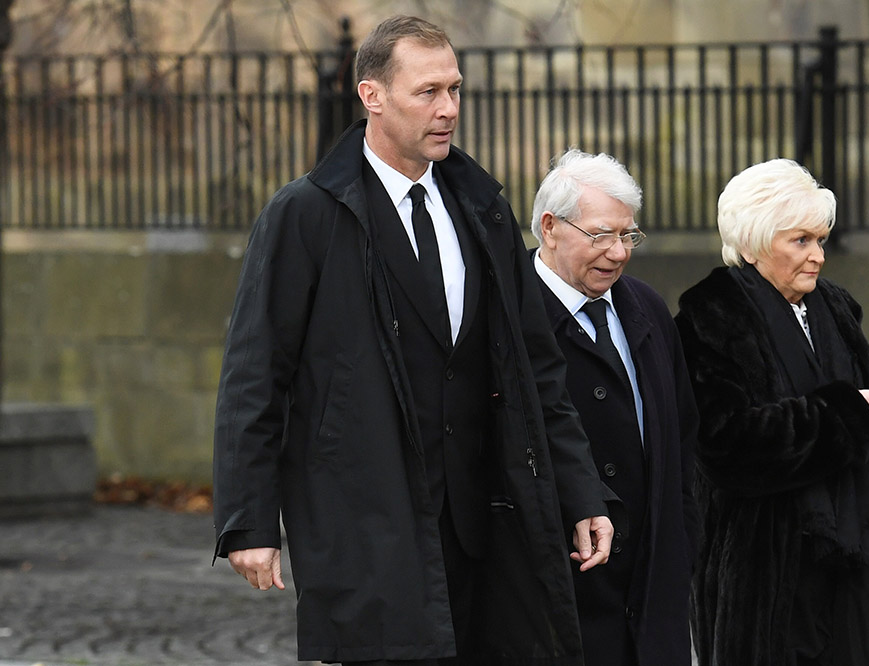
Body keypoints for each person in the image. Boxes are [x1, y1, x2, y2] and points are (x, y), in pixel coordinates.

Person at [212, 16, 615, 665]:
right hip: (369, 524)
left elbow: (536, 366)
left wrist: (580, 490)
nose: (448, 109)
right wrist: (249, 522)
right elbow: (256, 374)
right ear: (373, 95)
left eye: (454, 89)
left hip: (487, 526)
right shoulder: (307, 215)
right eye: (427, 92)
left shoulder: (482, 207)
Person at [673, 158, 869, 666]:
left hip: (854, 558)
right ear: (754, 241)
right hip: (763, 567)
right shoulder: (711, 314)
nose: (818, 257)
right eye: (801, 240)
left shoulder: (837, 308)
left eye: (821, 240)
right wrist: (850, 422)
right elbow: (725, 446)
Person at [529, 149, 700, 666]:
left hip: (651, 596)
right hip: (557, 595)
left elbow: (683, 435)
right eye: (600, 235)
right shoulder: (507, 316)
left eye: (628, 235)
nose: (618, 252)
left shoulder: (645, 306)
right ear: (550, 227)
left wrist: (683, 540)